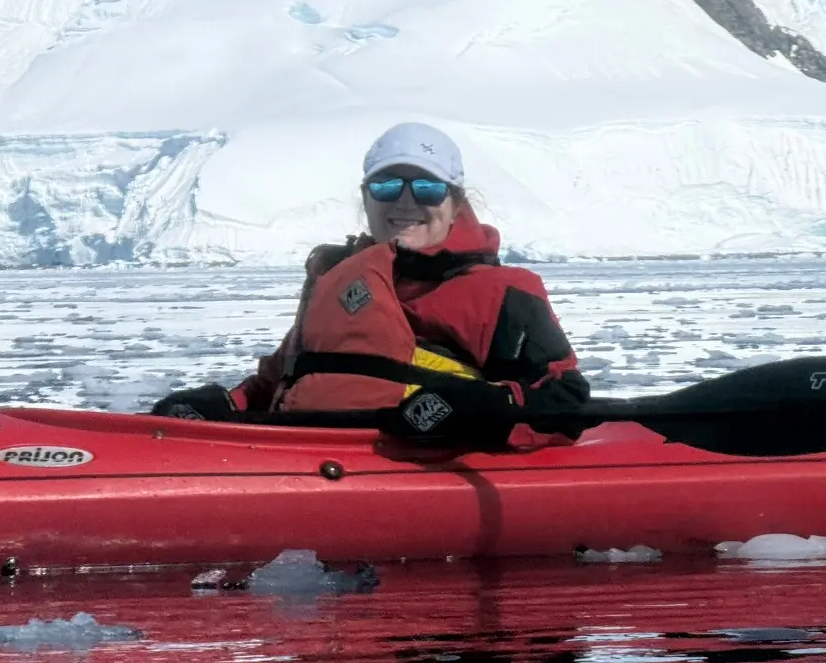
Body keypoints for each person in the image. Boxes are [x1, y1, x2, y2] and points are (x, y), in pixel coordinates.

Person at [152, 124, 588, 447]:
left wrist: (488, 407)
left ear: (456, 204)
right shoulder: (338, 281)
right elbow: (279, 382)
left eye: (427, 188)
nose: (405, 201)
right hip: (302, 458)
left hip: (421, 469)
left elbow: (564, 399)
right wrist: (225, 405)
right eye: (386, 186)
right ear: (365, 198)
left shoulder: (502, 292)